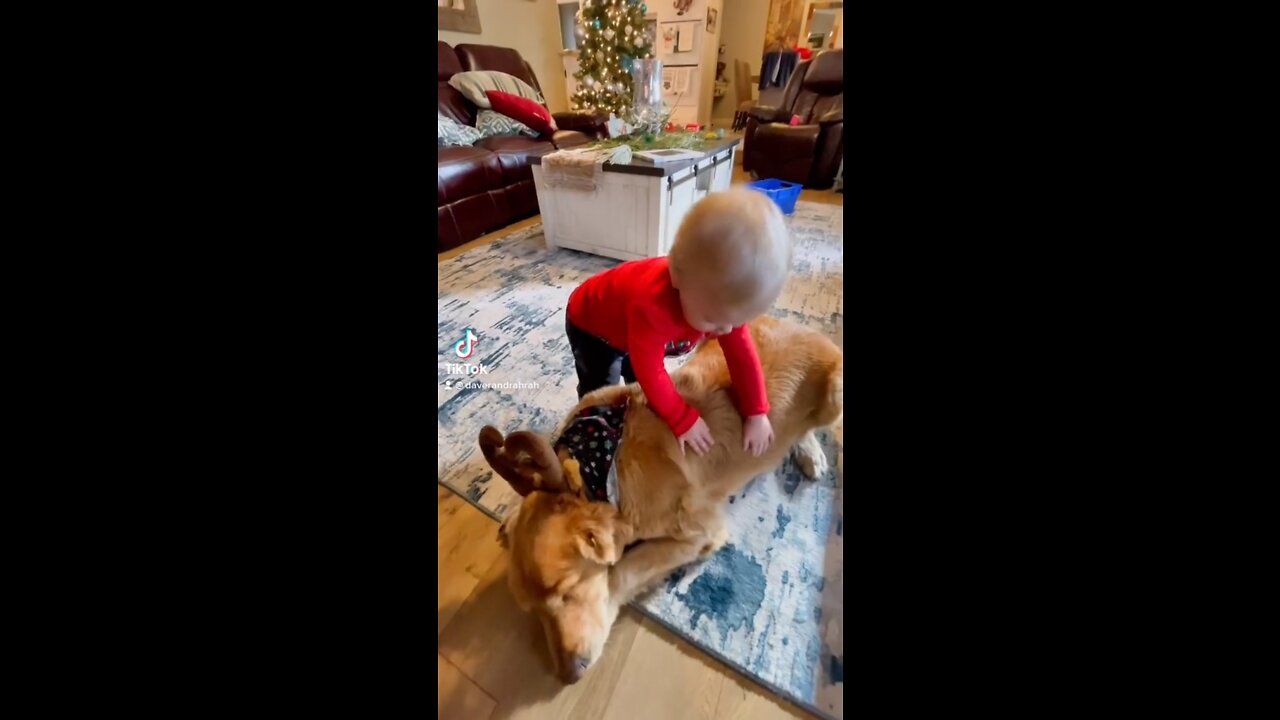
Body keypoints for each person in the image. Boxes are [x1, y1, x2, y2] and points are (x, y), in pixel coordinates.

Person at [563, 188, 791, 456]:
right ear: (676, 276)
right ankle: (588, 435)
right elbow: (652, 371)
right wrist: (683, 419)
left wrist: (756, 411)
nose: (726, 330)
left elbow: (741, 354)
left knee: (642, 388)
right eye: (714, 320)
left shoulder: (720, 307)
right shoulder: (651, 306)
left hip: (630, 330)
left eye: (737, 321)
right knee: (603, 391)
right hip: (592, 327)